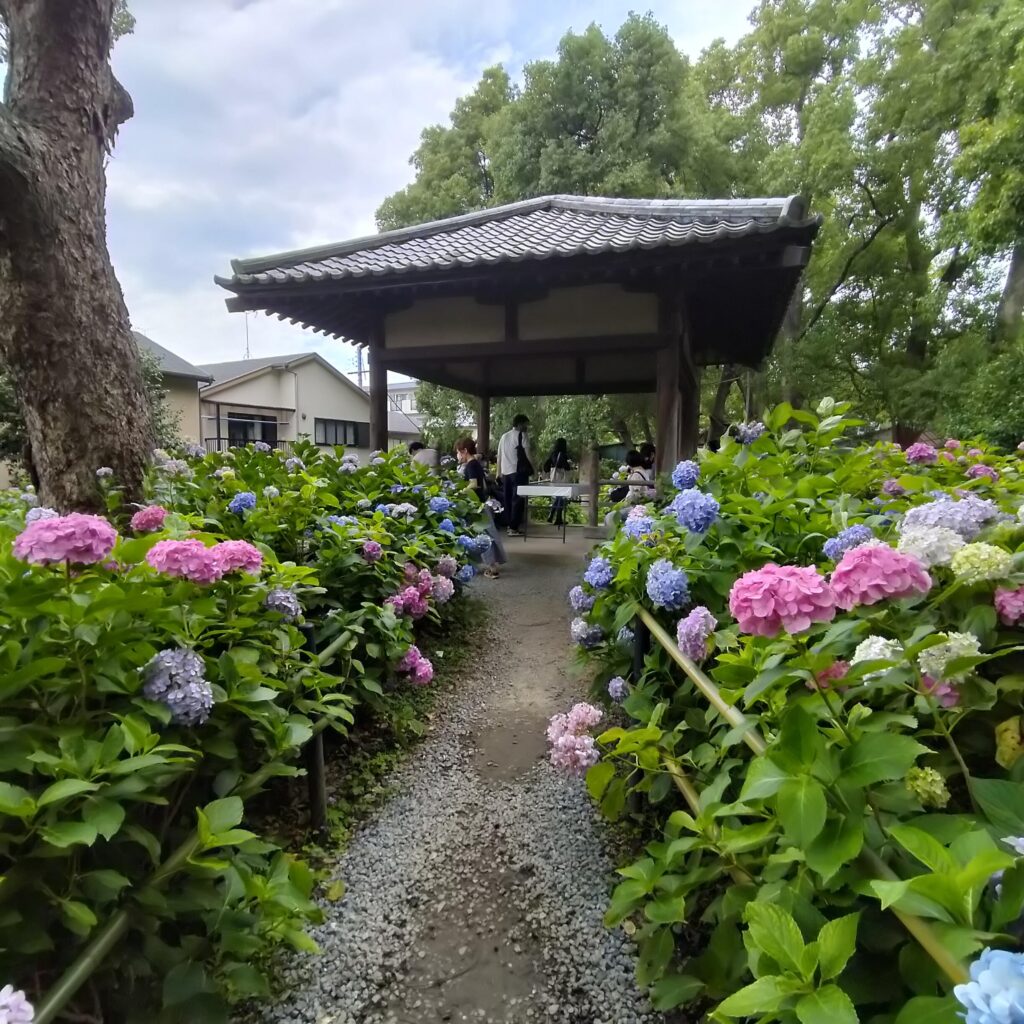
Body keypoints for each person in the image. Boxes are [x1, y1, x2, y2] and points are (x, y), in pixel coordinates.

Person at [455, 436, 506, 578]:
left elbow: (474, 483)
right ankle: (487, 564)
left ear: (465, 451)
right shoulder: (475, 464)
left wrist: (460, 491)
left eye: (458, 452)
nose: (457, 456)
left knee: (482, 536)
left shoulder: (471, 465)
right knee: (485, 534)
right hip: (481, 503)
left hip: (476, 505)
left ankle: (492, 566)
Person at [496, 413, 532, 536]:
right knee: (518, 499)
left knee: (508, 499)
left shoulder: (504, 436)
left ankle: (509, 525)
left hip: (506, 472)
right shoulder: (523, 436)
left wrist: (498, 472)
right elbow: (528, 455)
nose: (527, 427)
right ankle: (513, 527)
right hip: (518, 472)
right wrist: (534, 468)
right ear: (520, 424)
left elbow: (499, 456)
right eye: (526, 424)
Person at [542, 438, 573, 527]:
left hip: (554, 478)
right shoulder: (562, 454)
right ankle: (558, 518)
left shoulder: (553, 453)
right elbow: (565, 467)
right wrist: (569, 464)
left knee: (558, 497)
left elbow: (546, 466)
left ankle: (551, 516)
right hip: (561, 479)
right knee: (561, 497)